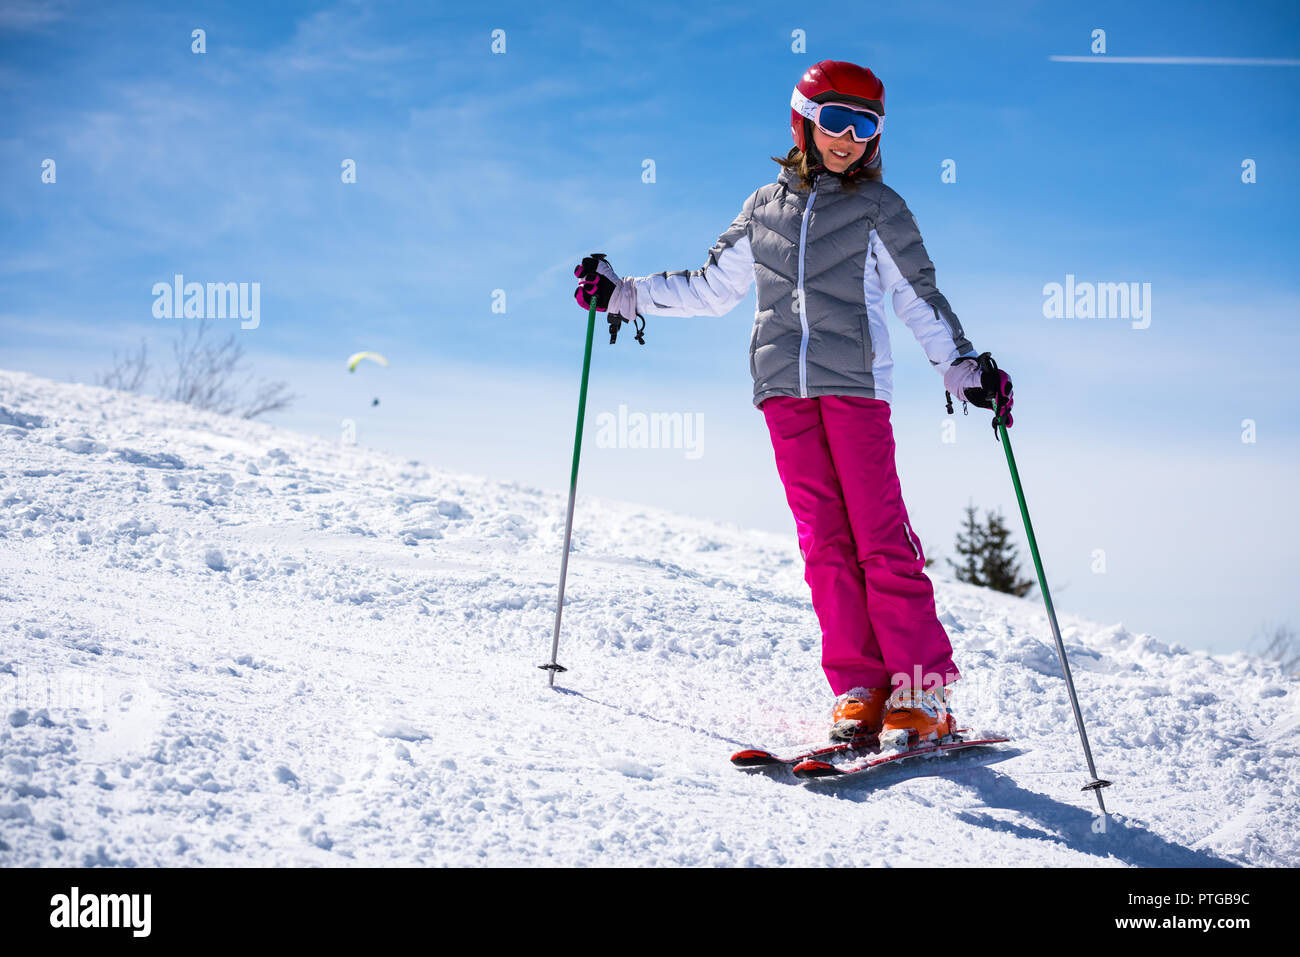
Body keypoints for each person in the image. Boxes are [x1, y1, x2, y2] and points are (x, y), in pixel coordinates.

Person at [574, 60, 1014, 750]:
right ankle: (861, 688)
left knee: (880, 538)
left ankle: (922, 690)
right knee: (824, 546)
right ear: (802, 122)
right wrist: (623, 293)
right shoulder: (763, 209)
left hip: (856, 388)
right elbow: (710, 287)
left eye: (864, 126)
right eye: (835, 120)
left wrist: (962, 368)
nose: (848, 138)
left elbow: (918, 298)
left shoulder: (880, 209)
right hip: (783, 391)